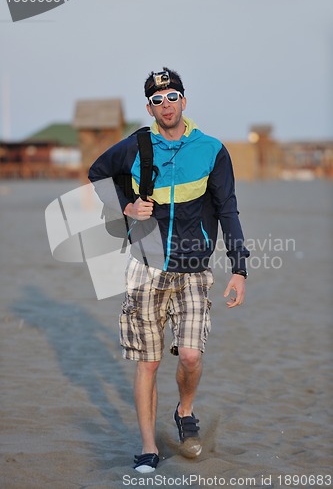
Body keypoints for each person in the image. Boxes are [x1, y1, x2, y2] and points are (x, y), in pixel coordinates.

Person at [88, 67, 249, 473]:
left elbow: (228, 208)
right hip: (146, 266)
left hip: (195, 268)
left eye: (172, 96)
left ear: (184, 100)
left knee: (191, 356)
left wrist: (239, 268)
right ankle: (147, 448)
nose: (166, 104)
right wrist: (126, 205)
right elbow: (98, 173)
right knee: (150, 362)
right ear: (149, 107)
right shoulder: (137, 146)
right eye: (157, 100)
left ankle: (185, 410)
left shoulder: (211, 150)